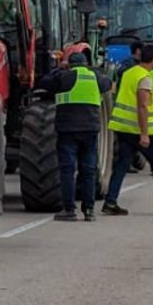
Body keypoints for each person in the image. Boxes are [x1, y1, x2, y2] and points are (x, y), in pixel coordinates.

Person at [101, 42, 153, 216]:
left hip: (123, 127)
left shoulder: (129, 73)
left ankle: (110, 201)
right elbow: (143, 106)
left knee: (122, 164)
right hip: (140, 129)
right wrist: (144, 134)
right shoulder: (144, 78)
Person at [37, 46, 104, 222]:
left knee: (67, 170)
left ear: (70, 64)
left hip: (68, 129)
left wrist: (59, 68)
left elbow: (44, 82)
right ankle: (89, 210)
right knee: (88, 170)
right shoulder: (95, 76)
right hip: (90, 128)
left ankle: (69, 209)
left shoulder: (64, 76)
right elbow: (107, 85)